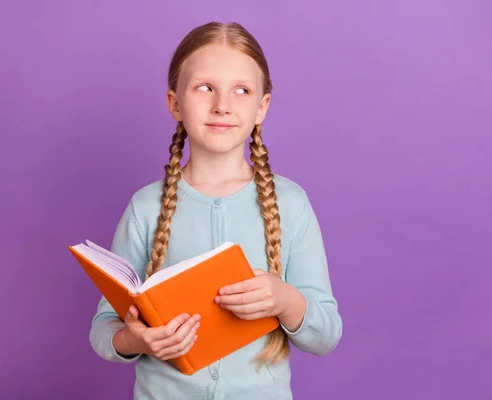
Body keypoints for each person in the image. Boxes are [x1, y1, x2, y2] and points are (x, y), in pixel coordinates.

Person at [89, 21, 342, 399]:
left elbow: (326, 335)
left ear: (262, 107)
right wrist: (135, 339)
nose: (222, 105)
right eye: (205, 87)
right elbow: (103, 329)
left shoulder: (291, 204)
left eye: (241, 90)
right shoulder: (146, 207)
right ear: (175, 103)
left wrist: (286, 301)